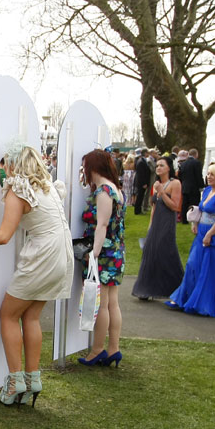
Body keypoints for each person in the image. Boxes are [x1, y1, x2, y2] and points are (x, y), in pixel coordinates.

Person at [0, 143, 72, 406]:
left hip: (43, 257)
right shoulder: (46, 188)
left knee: (8, 315)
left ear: (13, 164)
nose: (3, 169)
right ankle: (32, 378)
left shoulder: (19, 189)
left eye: (5, 163)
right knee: (31, 316)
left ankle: (15, 382)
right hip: (61, 254)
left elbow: (3, 235)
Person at [166, 162, 215, 318]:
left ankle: (205, 305)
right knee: (193, 264)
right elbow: (201, 208)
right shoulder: (208, 190)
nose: (208, 177)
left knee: (211, 270)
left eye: (212, 174)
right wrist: (195, 223)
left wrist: (209, 234)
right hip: (202, 233)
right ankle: (183, 298)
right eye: (208, 173)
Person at [78, 149, 126, 367]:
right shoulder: (115, 189)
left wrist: (94, 253)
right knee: (112, 303)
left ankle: (98, 349)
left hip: (104, 253)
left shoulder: (104, 191)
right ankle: (113, 348)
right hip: (115, 250)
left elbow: (102, 225)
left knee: (103, 304)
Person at [132, 156, 183, 300]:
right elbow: (153, 208)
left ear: (168, 168)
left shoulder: (175, 183)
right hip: (156, 223)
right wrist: (150, 227)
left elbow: (175, 206)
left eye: (162, 165)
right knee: (150, 252)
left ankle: (177, 287)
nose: (158, 168)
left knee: (165, 251)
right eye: (157, 166)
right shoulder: (156, 184)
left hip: (167, 223)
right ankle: (146, 288)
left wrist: (162, 193)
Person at [133, 149, 151, 215]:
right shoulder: (141, 162)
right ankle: (137, 210)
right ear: (145, 153)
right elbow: (141, 174)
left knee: (141, 196)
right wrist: (144, 183)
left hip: (142, 182)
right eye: (147, 153)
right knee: (139, 197)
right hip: (141, 183)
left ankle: (139, 210)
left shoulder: (143, 160)